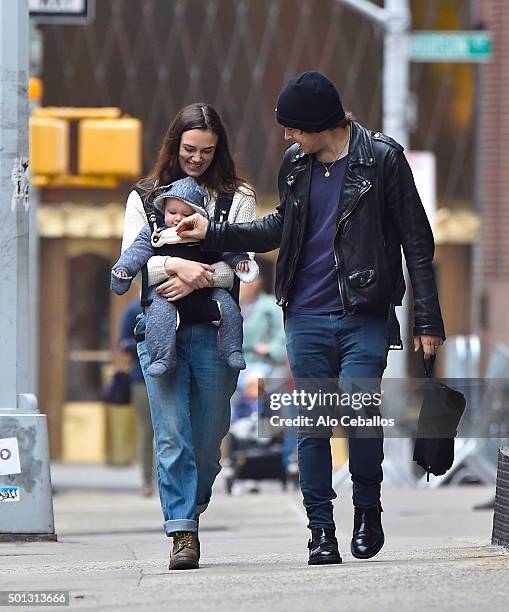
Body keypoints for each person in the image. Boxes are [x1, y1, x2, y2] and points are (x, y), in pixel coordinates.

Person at [176, 72, 446, 566]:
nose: (286, 137)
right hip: (304, 314)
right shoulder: (295, 163)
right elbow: (281, 225)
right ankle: (321, 531)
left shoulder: (383, 160)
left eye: (293, 128)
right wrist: (214, 232)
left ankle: (367, 507)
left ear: (321, 125)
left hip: (363, 312)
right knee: (315, 425)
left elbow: (417, 243)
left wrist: (427, 321)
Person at [121, 102, 257, 570]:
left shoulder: (237, 197)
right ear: (174, 144)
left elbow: (243, 267)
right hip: (160, 331)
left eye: (206, 150)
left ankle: (191, 504)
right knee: (172, 435)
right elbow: (138, 258)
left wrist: (196, 274)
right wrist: (175, 264)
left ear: (219, 151)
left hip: (216, 332)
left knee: (208, 436)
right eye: (188, 149)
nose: (196, 158)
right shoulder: (144, 197)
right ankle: (182, 531)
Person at [113, 176, 257, 376]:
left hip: (209, 292)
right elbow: (136, 252)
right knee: (158, 315)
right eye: (172, 212)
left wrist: (240, 262)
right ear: (163, 211)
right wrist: (123, 270)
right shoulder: (156, 233)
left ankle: (232, 349)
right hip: (167, 291)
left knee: (230, 309)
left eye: (186, 214)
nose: (178, 218)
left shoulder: (206, 232)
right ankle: (162, 358)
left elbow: (227, 250)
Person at [118, 299, 155, 497]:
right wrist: (150, 338)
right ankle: (147, 481)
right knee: (147, 430)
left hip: (172, 374)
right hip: (141, 377)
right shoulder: (133, 309)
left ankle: (168, 480)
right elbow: (123, 343)